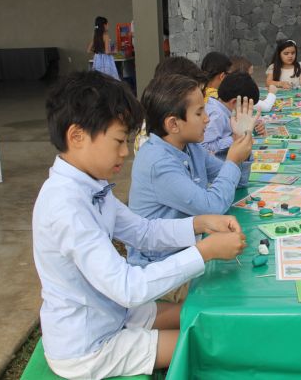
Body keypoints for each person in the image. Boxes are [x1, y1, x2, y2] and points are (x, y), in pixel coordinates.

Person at [32, 70, 247, 378]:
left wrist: (201, 222)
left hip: (113, 313)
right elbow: (127, 287)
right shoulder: (65, 206)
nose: (124, 152)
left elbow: (143, 230)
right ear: (76, 136)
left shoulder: (90, 185)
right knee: (206, 342)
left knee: (201, 315)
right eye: (119, 141)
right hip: (90, 345)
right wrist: (205, 251)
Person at [126, 74, 255, 270]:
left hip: (188, 250)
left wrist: (241, 141)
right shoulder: (158, 163)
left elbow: (238, 181)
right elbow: (212, 208)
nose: (207, 119)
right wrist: (233, 159)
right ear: (173, 124)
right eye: (199, 112)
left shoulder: (189, 147)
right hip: (161, 265)